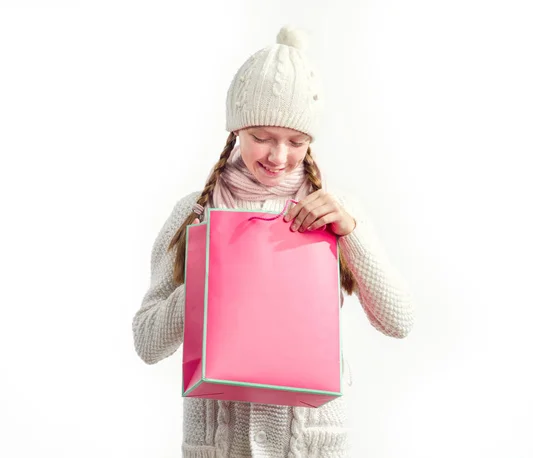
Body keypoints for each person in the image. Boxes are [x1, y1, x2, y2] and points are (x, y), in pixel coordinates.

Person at [132, 25, 415, 458]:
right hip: (217, 447)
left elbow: (400, 321)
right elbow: (148, 343)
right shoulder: (194, 213)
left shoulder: (334, 210)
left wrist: (350, 234)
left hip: (310, 445)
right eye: (261, 137)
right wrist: (212, 282)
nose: (278, 157)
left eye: (296, 142)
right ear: (236, 131)